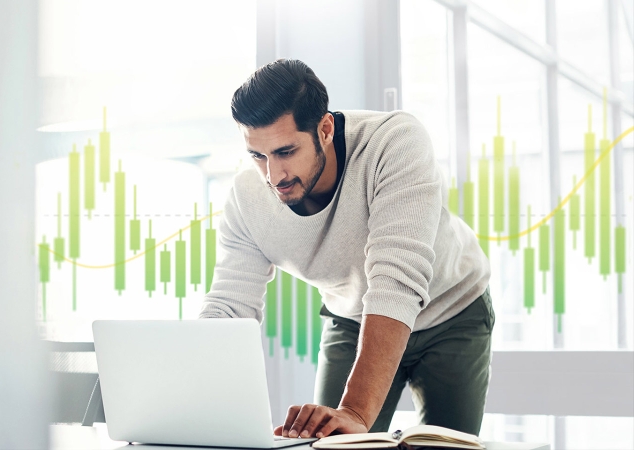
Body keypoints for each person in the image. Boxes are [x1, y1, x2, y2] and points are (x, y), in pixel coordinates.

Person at [199, 59, 493, 438]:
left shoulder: (394, 142)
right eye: (258, 155)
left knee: (449, 447)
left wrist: (355, 409)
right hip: (352, 316)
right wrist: (194, 392)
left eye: (286, 152)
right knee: (330, 444)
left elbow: (396, 283)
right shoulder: (247, 198)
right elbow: (229, 306)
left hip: (451, 310)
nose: (273, 176)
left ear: (324, 129)